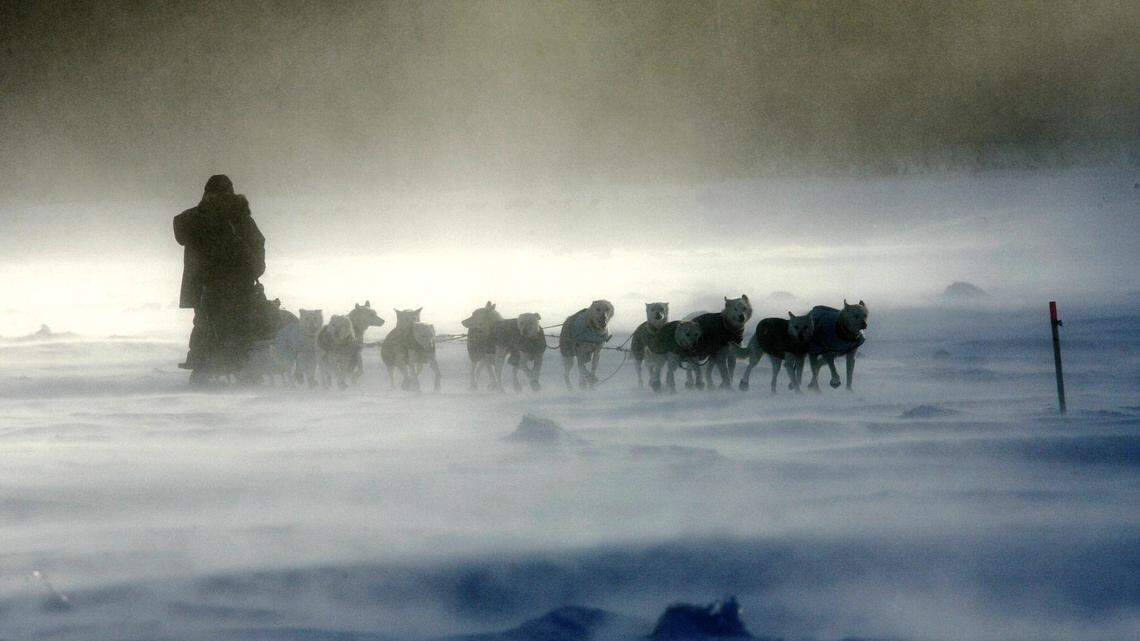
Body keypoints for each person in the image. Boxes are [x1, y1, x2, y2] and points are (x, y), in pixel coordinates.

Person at [173, 175, 266, 385]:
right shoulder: (201, 219)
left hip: (222, 287)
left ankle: (214, 372)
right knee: (222, 328)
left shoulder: (238, 219)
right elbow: (181, 231)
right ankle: (216, 371)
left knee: (221, 328)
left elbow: (256, 247)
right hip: (218, 287)